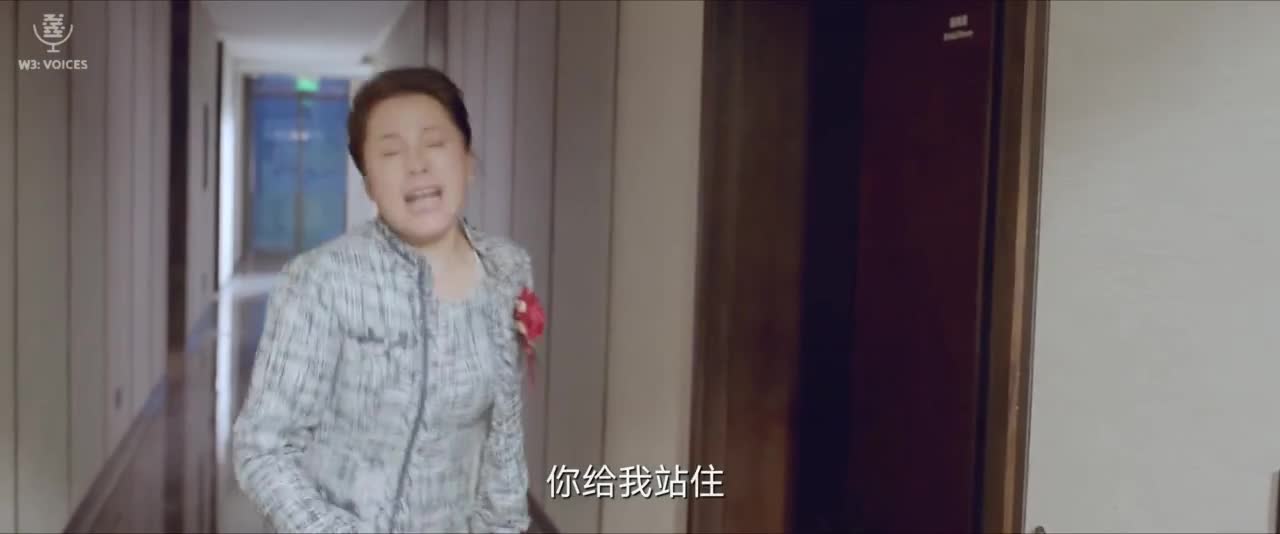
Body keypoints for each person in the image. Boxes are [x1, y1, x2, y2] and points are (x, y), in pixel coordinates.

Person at [232, 66, 533, 534]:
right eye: (391, 152)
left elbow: (504, 441)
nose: (417, 165)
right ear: (369, 182)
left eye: (435, 143)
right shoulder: (321, 280)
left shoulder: (506, 269)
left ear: (468, 159)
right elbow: (263, 448)